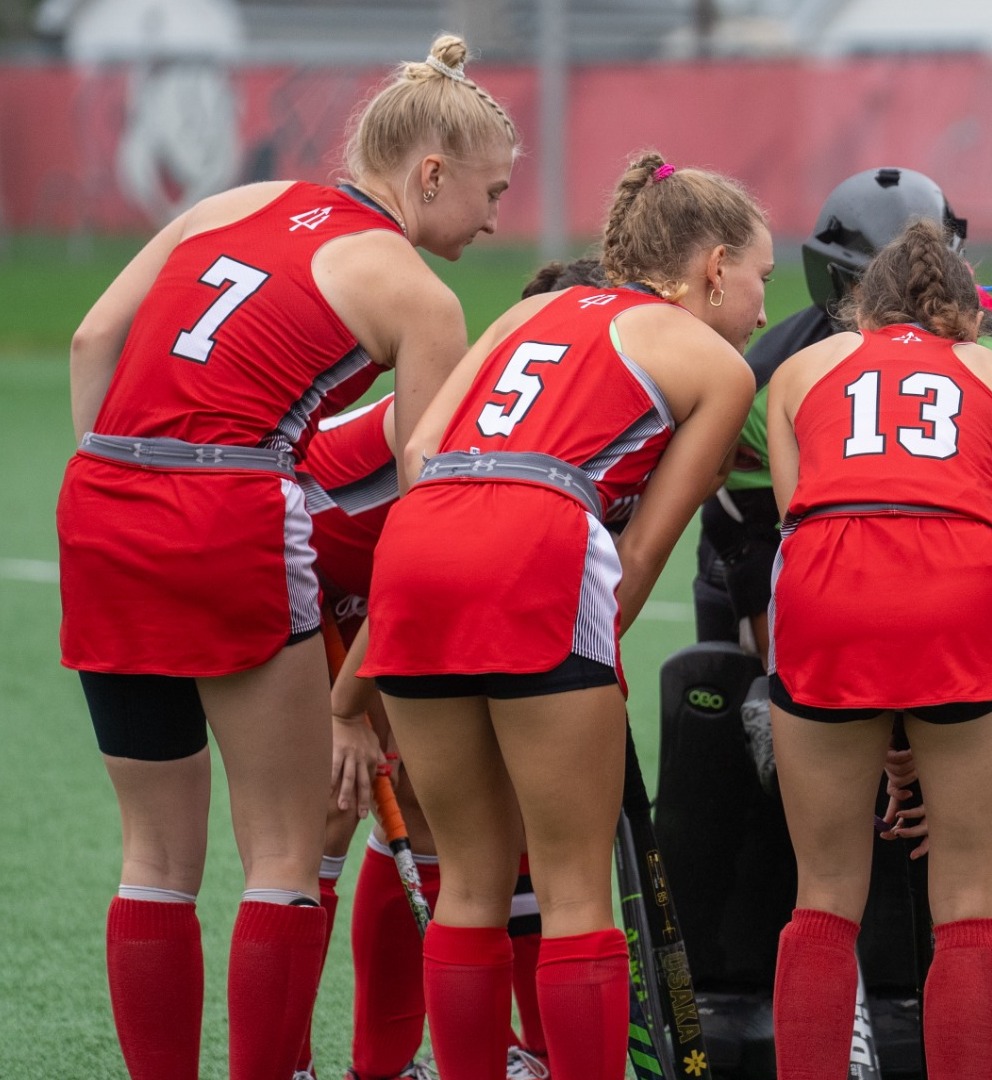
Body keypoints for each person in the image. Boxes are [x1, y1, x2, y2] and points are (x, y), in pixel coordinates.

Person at [55, 33, 514, 1080]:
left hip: (101, 504)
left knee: (155, 860)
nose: (494, 221)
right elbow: (423, 500)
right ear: (427, 173)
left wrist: (119, 479)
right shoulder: (419, 296)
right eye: (488, 193)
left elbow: (93, 342)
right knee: (281, 854)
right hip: (227, 515)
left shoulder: (237, 200)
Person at [355, 151, 761, 1080]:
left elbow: (420, 447)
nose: (763, 308)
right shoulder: (715, 363)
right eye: (760, 279)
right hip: (542, 539)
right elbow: (646, 551)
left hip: (419, 541)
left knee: (467, 881)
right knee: (576, 887)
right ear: (712, 268)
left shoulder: (530, 309)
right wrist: (573, 655)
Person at [670, 166, 992, 1079]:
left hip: (831, 598)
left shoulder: (798, 370)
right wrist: (926, 717)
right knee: (967, 906)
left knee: (824, 897)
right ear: (965, 297)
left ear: (855, 303)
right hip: (964, 595)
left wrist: (876, 714)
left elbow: (804, 525)